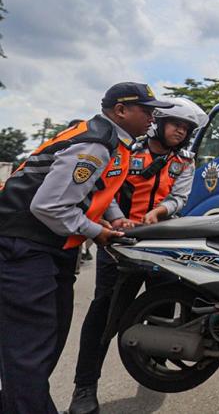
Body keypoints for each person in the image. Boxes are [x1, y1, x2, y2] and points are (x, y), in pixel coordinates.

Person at [0, 82, 171, 414]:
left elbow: (97, 189)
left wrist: (115, 218)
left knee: (45, 346)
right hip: (26, 248)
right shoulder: (95, 144)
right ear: (121, 110)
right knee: (30, 353)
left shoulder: (112, 141)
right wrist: (99, 233)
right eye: (147, 110)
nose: (153, 118)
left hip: (50, 247)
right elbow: (49, 206)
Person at [68, 97, 208, 414]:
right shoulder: (126, 151)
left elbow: (180, 197)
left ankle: (154, 366)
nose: (181, 132)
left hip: (162, 244)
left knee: (163, 309)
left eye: (186, 128)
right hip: (119, 243)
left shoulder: (185, 161)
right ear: (158, 123)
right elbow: (106, 189)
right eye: (176, 125)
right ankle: (85, 387)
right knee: (104, 314)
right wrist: (118, 219)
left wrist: (159, 212)